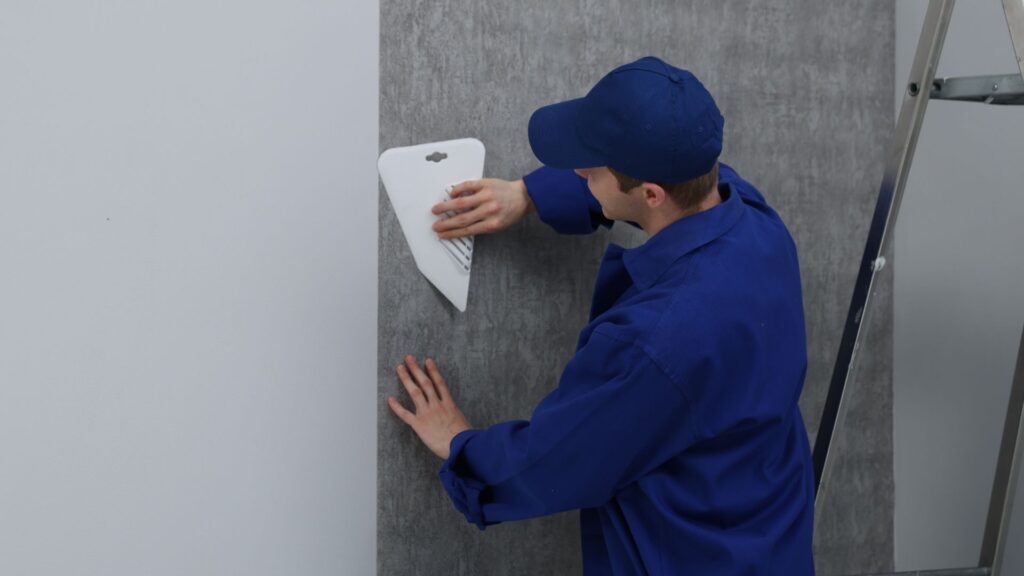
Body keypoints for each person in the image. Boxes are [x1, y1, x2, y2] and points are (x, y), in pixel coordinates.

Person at [387, 55, 815, 575]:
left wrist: (460, 445)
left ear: (651, 193)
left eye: (590, 169)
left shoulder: (654, 343)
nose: (578, 171)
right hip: (769, 533)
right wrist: (531, 195)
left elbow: (554, 461)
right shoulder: (755, 222)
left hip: (689, 555)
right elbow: (680, 175)